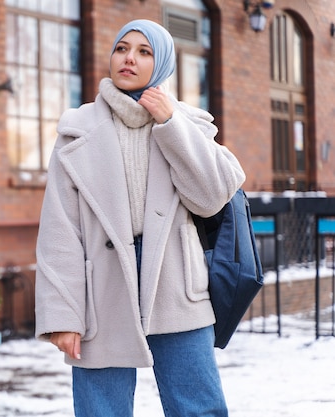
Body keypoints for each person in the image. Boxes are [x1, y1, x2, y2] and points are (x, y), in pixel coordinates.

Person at [34, 19, 246, 417]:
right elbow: (60, 229)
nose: (129, 58)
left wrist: (170, 124)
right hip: (102, 286)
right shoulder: (76, 130)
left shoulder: (188, 122)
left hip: (176, 283)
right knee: (101, 411)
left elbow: (212, 197)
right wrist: (62, 315)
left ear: (162, 65)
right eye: (122, 48)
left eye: (144, 52)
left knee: (197, 409)